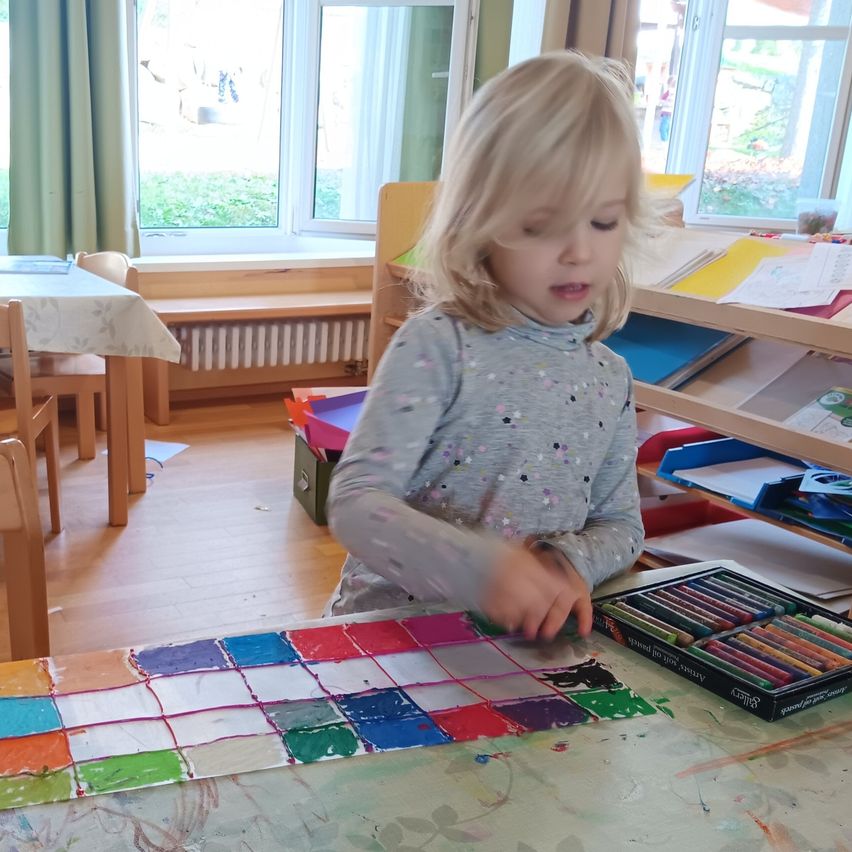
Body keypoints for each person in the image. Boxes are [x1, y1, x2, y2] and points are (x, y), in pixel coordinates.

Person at [325, 51, 650, 642]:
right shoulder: (439, 345)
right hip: (392, 640)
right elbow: (355, 503)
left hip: (518, 655)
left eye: (603, 222)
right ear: (480, 223)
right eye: (540, 226)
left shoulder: (611, 378)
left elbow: (622, 526)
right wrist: (481, 569)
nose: (579, 251)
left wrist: (566, 562)